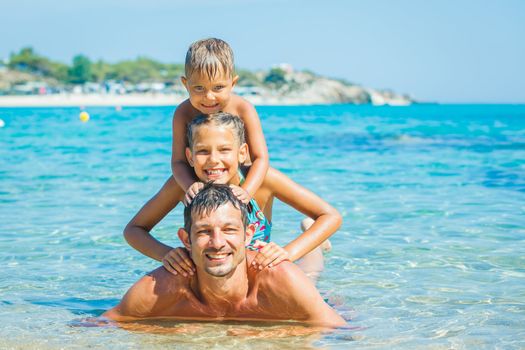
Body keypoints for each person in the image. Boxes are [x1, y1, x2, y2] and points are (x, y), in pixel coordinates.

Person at [125, 113, 342, 276]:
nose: (213, 160)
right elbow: (134, 230)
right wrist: (166, 254)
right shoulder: (183, 185)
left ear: (242, 153)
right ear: (190, 157)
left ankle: (316, 245)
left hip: (259, 272)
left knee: (309, 276)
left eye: (224, 150)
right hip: (216, 275)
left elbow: (330, 215)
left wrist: (288, 253)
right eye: (202, 151)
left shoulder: (262, 182)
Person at [104, 184, 346, 327]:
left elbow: (341, 331)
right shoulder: (158, 289)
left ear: (249, 235)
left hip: (272, 273)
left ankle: (315, 245)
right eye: (204, 231)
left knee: (310, 275)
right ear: (186, 240)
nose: (218, 243)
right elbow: (99, 326)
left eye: (229, 229)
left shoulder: (280, 280)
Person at [172, 38, 268, 206]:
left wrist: (247, 191)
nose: (209, 97)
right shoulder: (183, 113)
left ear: (233, 83)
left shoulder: (243, 109)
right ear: (186, 84)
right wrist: (190, 186)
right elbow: (179, 161)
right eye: (199, 88)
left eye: (218, 88)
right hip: (204, 175)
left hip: (239, 176)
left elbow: (260, 157)